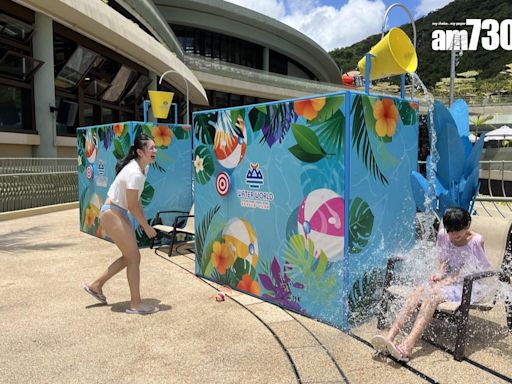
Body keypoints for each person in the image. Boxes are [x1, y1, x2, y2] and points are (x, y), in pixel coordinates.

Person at [371, 207, 491, 361]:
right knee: (417, 291)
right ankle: (389, 338)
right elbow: (443, 260)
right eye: (451, 231)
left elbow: (478, 269)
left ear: (467, 225)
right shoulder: (443, 235)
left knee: (431, 297)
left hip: (467, 285)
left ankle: (408, 345)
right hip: (448, 281)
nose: (454, 235)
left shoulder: (476, 241)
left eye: (458, 230)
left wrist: (450, 280)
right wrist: (440, 273)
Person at [82, 133, 159, 315]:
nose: (155, 151)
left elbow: (136, 201)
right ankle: (135, 304)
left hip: (117, 211)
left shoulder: (142, 169)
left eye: (155, 147)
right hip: (112, 212)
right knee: (133, 257)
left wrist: (143, 223)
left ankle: (96, 285)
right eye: (151, 148)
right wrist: (146, 227)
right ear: (140, 152)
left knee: (131, 257)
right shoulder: (135, 173)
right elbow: (132, 205)